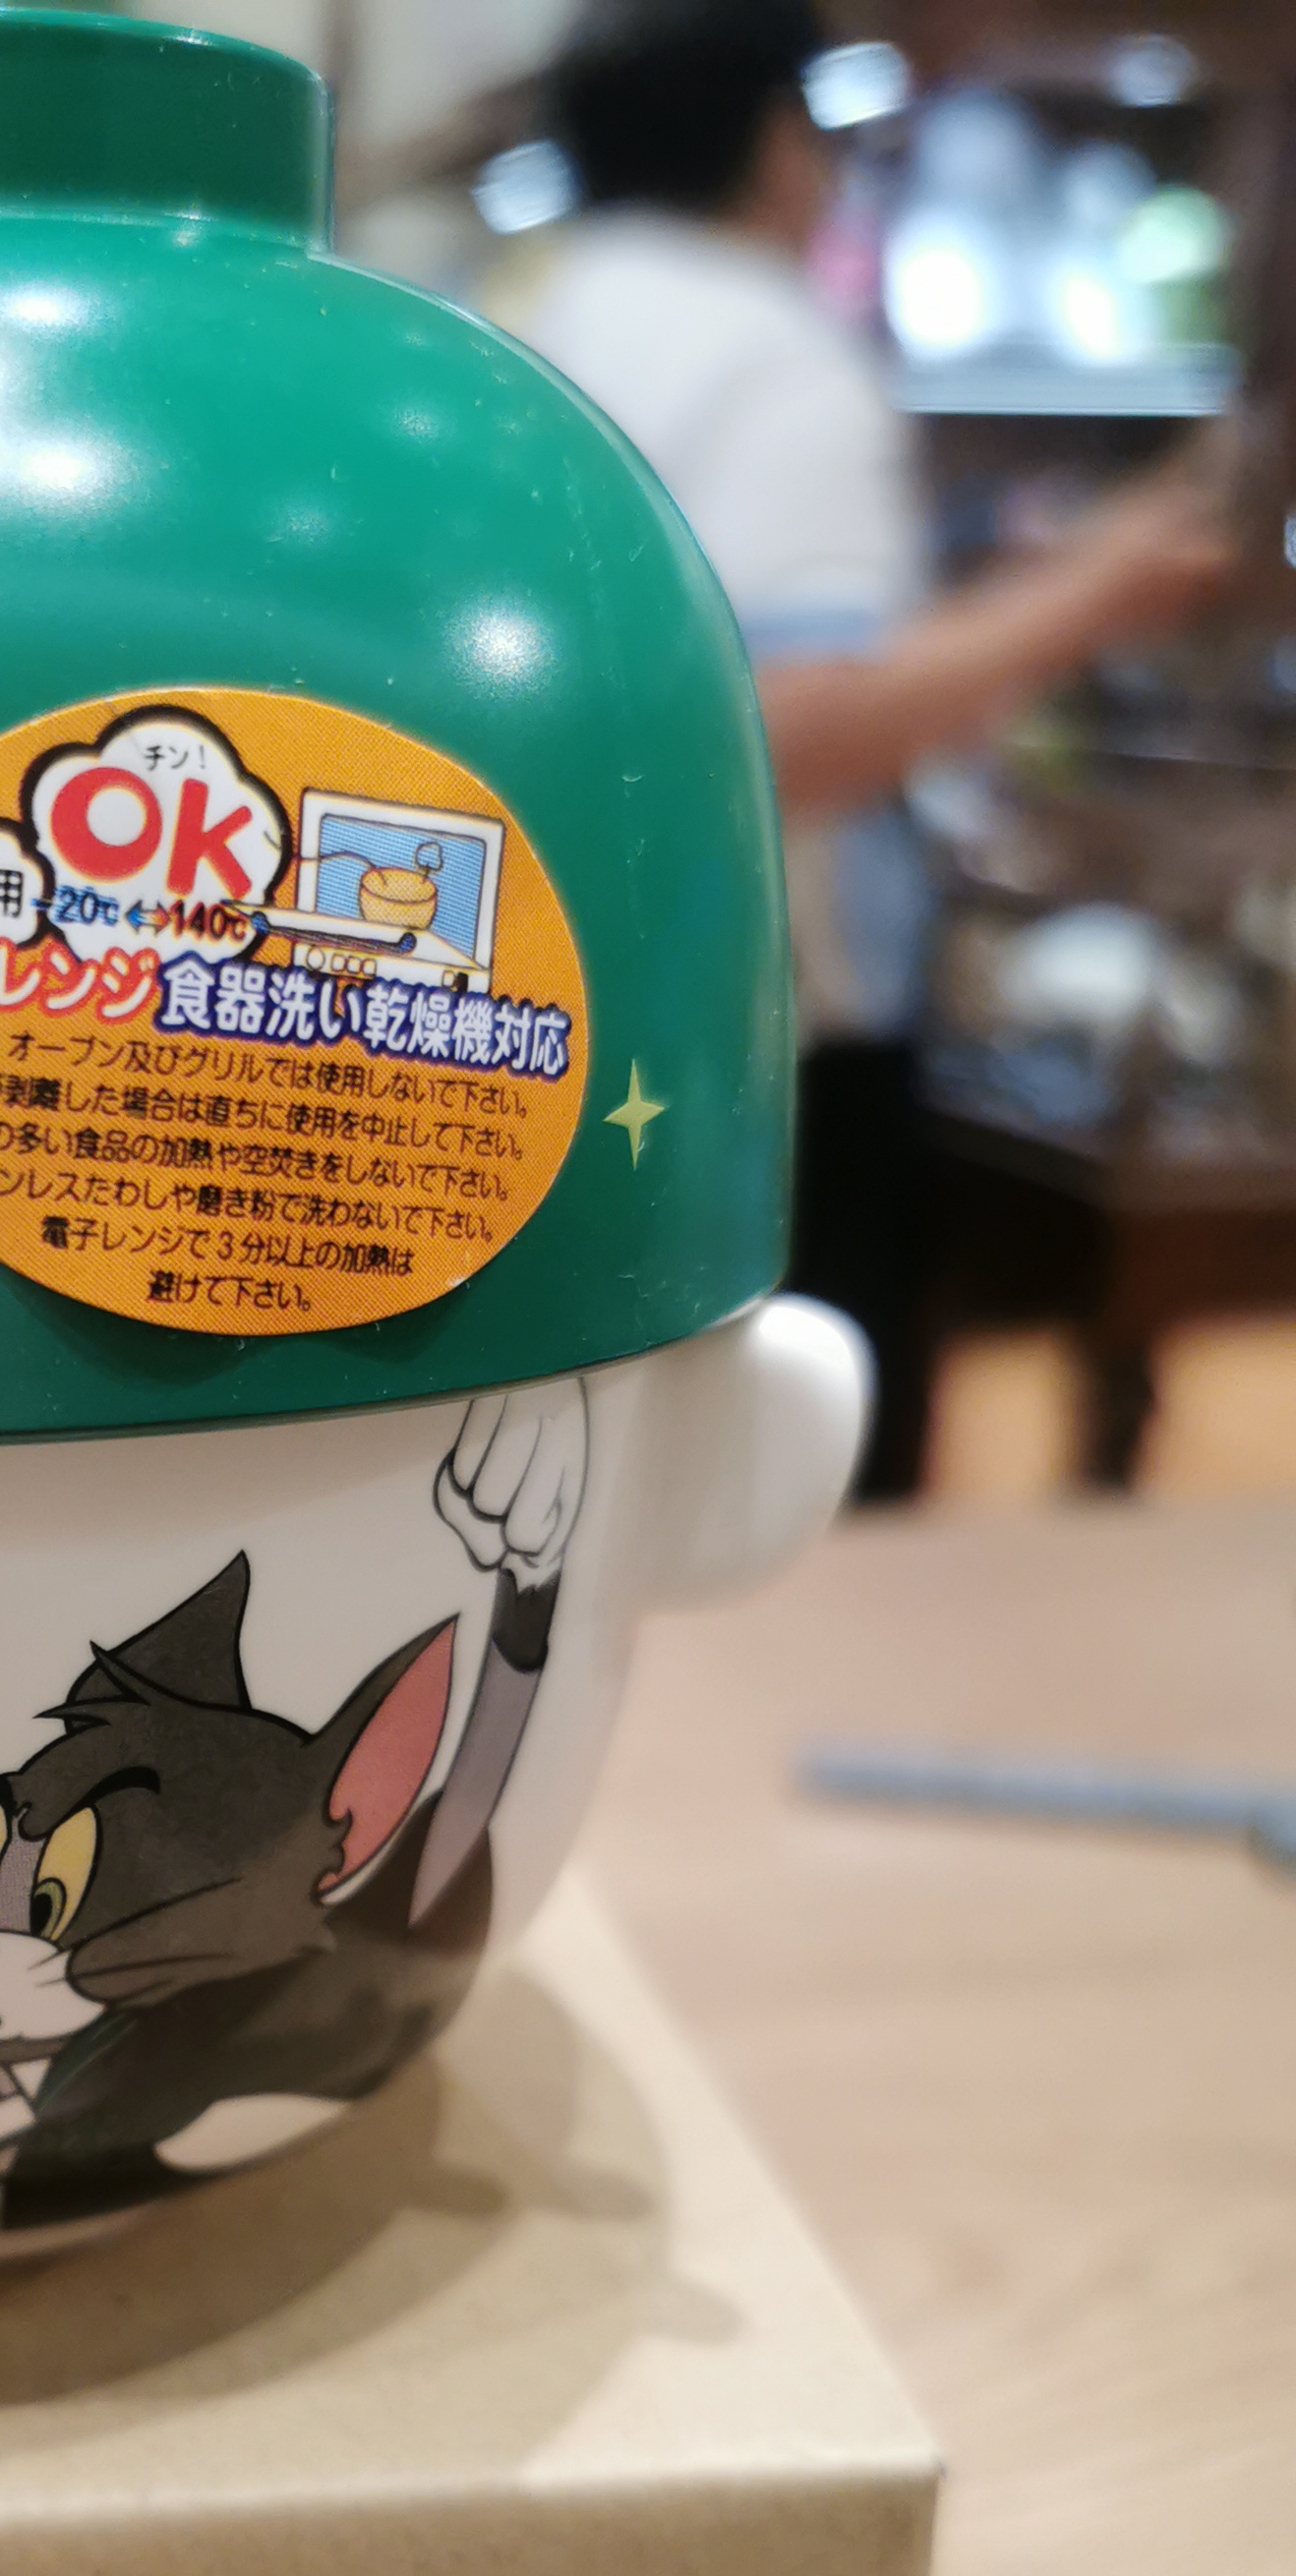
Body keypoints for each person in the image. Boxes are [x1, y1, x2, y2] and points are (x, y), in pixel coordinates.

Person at [498, 0, 1236, 1493]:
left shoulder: (509, 323)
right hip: (763, 1044)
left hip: (549, 1002)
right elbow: (796, 730)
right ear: (780, 144)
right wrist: (1098, 587)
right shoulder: (773, 353)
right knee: (808, 1484)